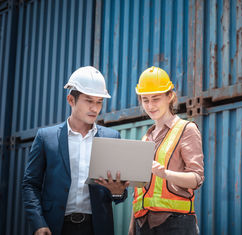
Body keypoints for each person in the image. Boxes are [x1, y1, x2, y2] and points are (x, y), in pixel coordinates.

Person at [22, 66, 129, 235]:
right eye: (89, 100)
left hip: (97, 228)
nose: (95, 108)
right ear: (71, 100)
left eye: (99, 102)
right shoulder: (46, 137)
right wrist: (38, 223)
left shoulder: (112, 137)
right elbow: (30, 184)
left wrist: (118, 193)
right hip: (55, 227)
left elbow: (119, 193)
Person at [128, 66, 204, 235]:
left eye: (156, 99)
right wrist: (132, 227)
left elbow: (196, 178)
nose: (150, 105)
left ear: (170, 96)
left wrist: (166, 174)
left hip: (176, 223)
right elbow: (139, 192)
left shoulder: (186, 129)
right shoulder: (146, 137)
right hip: (143, 224)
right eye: (145, 100)